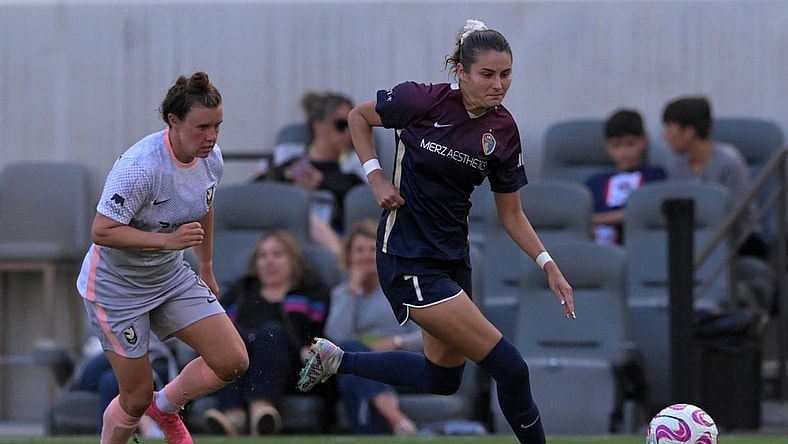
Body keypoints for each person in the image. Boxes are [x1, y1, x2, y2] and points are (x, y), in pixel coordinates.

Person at [297, 19, 575, 444]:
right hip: (406, 257)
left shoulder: (503, 131)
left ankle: (339, 361)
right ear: (461, 72)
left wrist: (549, 264)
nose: (498, 84)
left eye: (506, 74)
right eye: (487, 74)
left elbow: (512, 215)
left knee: (442, 377)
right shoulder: (421, 100)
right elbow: (358, 116)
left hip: (450, 259)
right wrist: (375, 177)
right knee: (512, 367)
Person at [75, 71, 249, 444]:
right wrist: (167, 243)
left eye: (218, 125)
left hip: (169, 277)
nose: (212, 136)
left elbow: (205, 205)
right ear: (174, 121)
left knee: (233, 361)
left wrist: (205, 267)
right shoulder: (141, 167)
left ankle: (166, 406)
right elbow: (101, 231)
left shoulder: (211, 159)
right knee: (134, 398)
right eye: (202, 127)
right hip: (115, 288)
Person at [202, 230, 330, 436]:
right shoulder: (241, 292)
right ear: (256, 263)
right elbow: (216, 326)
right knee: (235, 336)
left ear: (294, 260)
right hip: (241, 363)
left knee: (271, 333)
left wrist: (314, 349)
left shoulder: (311, 293)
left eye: (277, 254)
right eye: (263, 256)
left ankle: (261, 410)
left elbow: (324, 331)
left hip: (293, 366)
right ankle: (234, 417)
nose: (269, 262)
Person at [324, 218, 420, 435]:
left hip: (401, 362)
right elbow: (336, 338)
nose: (366, 256)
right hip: (362, 365)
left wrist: (397, 343)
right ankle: (397, 421)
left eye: (371, 249)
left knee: (353, 361)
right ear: (348, 256)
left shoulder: (401, 288)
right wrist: (352, 290)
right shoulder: (342, 294)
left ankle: (392, 421)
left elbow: (429, 336)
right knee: (351, 365)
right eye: (359, 250)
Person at [661, 95, 768, 259]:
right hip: (695, 235)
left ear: (689, 132)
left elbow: (736, 213)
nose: (664, 135)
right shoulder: (674, 164)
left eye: (669, 128)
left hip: (739, 237)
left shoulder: (728, 161)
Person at [254, 91, 365, 235]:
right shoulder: (289, 157)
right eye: (341, 125)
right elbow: (256, 189)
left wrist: (321, 181)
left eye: (352, 125)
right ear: (319, 126)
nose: (348, 133)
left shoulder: (355, 163)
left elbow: (362, 198)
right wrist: (287, 175)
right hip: (284, 235)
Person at [584, 108, 666, 246]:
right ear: (607, 146)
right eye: (616, 146)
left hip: (640, 246)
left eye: (630, 144)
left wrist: (597, 220)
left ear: (644, 141)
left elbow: (645, 211)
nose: (623, 153)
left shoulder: (655, 176)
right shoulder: (595, 182)